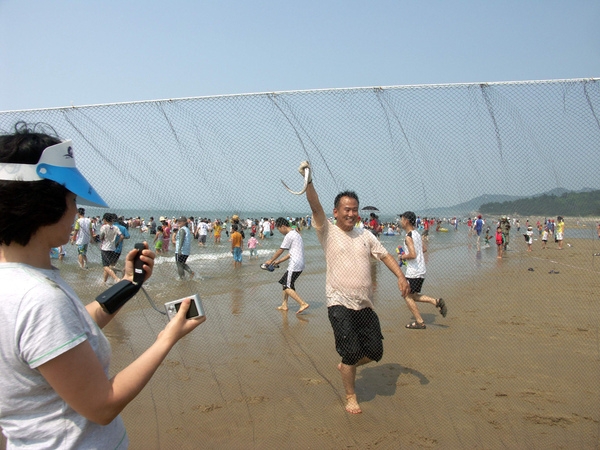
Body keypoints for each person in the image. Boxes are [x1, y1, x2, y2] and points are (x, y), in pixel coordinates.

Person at [0, 123, 205, 448]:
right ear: (44, 205)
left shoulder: (20, 281)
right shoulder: (38, 298)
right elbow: (102, 405)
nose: (75, 211)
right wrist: (167, 338)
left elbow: (70, 331)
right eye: (70, 199)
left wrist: (128, 283)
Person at [298, 161, 410, 414]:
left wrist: (401, 277)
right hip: (338, 302)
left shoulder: (366, 235)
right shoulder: (326, 230)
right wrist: (309, 179)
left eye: (354, 210)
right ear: (336, 212)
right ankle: (351, 395)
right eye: (346, 210)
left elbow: (385, 256)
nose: (351, 214)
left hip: (364, 304)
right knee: (350, 352)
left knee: (375, 351)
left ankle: (346, 366)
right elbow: (314, 205)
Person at [398, 211, 447, 329]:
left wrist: (402, 256)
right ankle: (436, 301)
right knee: (413, 296)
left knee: (406, 295)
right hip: (421, 270)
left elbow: (413, 254)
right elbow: (423, 249)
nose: (400, 221)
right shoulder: (416, 234)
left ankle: (420, 321)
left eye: (402, 219)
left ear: (407, 221)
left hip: (414, 272)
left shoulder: (408, 237)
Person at [264, 217, 310, 314]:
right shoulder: (296, 234)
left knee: (286, 286)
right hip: (300, 263)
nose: (280, 232)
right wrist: (279, 261)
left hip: (295, 265)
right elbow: (291, 253)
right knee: (285, 282)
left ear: (283, 226)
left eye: (279, 229)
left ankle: (303, 303)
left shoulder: (289, 235)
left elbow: (281, 250)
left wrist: (271, 260)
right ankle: (284, 305)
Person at [99, 212, 123, 284]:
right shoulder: (116, 227)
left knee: (105, 267)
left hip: (105, 249)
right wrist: (117, 243)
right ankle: (104, 282)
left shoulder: (104, 227)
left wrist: (101, 238)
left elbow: (101, 237)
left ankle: (116, 278)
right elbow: (122, 236)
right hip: (113, 249)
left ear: (105, 220)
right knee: (108, 266)